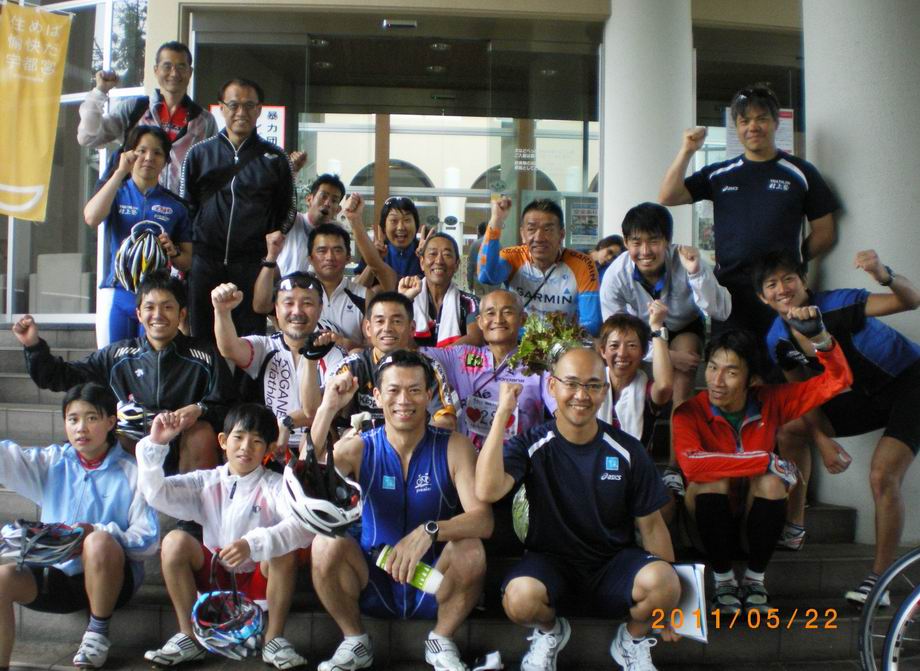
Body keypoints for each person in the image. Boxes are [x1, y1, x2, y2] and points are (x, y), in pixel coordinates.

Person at [475, 348, 680, 671]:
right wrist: (503, 413)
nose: (581, 395)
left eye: (593, 385)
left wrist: (670, 608)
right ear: (552, 386)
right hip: (550, 564)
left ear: (605, 390)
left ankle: (632, 640)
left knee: (665, 582)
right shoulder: (532, 444)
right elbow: (487, 490)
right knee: (519, 598)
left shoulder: (627, 449)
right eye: (571, 384)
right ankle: (549, 632)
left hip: (613, 565)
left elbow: (652, 526)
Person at [754, 249, 920, 604]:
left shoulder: (838, 304)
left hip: (912, 382)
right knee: (790, 428)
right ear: (762, 297)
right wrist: (821, 439)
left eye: (789, 278)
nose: (782, 289)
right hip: (866, 396)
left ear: (803, 281)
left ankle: (880, 581)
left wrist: (884, 274)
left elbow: (911, 300)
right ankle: (795, 526)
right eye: (771, 284)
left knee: (882, 474)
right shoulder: (777, 339)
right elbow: (802, 395)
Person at [309, 351, 492, 671]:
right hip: (371, 580)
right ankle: (355, 640)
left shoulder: (455, 446)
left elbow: (483, 520)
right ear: (378, 396)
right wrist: (328, 408)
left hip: (432, 583)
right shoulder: (359, 447)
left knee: (471, 549)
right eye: (393, 390)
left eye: (414, 390)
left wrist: (429, 531)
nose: (404, 400)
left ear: (430, 394)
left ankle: (441, 639)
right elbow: (309, 479)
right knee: (324, 544)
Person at [673, 323, 852, 615]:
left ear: (752, 379)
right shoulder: (689, 412)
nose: (717, 381)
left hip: (751, 527)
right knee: (711, 480)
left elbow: (838, 380)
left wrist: (821, 339)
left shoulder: (771, 399)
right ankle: (724, 582)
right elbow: (692, 464)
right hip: (704, 529)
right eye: (712, 368)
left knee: (772, 483)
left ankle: (755, 581)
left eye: (731, 372)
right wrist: (765, 460)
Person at [137, 404, 312, 668]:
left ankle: (273, 639)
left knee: (284, 552)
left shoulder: (276, 485)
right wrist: (156, 444)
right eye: (238, 437)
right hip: (215, 577)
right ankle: (189, 637)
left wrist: (252, 544)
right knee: (174, 541)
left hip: (259, 580)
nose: (245, 447)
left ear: (268, 449)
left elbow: (303, 527)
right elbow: (156, 494)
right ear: (222, 441)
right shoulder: (205, 481)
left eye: (256, 442)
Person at [658, 83, 840, 337]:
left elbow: (825, 232)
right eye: (745, 121)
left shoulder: (801, 172)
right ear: (737, 127)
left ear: (776, 123)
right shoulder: (720, 174)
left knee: (783, 357)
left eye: (761, 119)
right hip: (730, 292)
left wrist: (794, 261)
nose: (753, 127)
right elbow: (668, 195)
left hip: (782, 293)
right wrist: (687, 150)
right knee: (730, 360)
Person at [0, 383, 159, 669]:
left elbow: (147, 541)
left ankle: (97, 633)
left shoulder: (133, 472)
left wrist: (95, 531)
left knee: (97, 541)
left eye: (91, 418)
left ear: (110, 422)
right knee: (2, 578)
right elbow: (7, 460)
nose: (81, 428)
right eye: (72, 419)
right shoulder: (53, 462)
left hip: (113, 580)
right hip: (57, 576)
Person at [12, 271, 235, 473]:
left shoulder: (205, 355)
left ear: (182, 313)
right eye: (150, 307)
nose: (158, 315)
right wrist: (33, 346)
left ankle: (192, 506)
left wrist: (199, 410)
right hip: (133, 443)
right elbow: (61, 377)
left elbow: (229, 404)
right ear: (138, 314)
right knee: (113, 434)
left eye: (167, 307)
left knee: (201, 434)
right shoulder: (117, 356)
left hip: (184, 444)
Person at [179, 77, 296, 340]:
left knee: (249, 343)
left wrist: (269, 244)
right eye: (233, 105)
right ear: (221, 108)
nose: (241, 112)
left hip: (251, 266)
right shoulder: (199, 154)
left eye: (249, 105)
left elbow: (287, 210)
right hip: (204, 264)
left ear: (259, 109)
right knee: (202, 340)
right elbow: (186, 207)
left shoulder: (275, 158)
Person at [213, 273, 346, 457]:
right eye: (288, 303)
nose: (297, 311)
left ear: (320, 308)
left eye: (307, 303)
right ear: (276, 309)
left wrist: (287, 422)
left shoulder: (335, 354)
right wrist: (222, 312)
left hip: (317, 444)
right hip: (270, 444)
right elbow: (229, 349)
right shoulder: (265, 346)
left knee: (313, 439)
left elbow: (317, 411)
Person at [83, 125, 192, 347]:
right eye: (141, 151)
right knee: (112, 359)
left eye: (157, 152)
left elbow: (188, 261)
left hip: (156, 297)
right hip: (117, 292)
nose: (149, 158)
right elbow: (91, 218)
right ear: (130, 154)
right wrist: (119, 172)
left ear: (165, 161)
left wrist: (173, 252)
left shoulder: (176, 206)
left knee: (152, 360)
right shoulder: (116, 193)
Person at [77, 41, 217, 192]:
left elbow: (212, 171)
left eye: (181, 67)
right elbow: (88, 137)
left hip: (180, 206)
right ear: (156, 70)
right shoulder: (135, 109)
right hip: (133, 204)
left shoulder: (204, 121)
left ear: (190, 72)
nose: (174, 73)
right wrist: (100, 91)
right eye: (167, 66)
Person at [424, 289, 548, 450]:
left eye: (507, 312)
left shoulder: (539, 365)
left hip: (522, 460)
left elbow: (561, 412)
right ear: (480, 322)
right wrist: (406, 302)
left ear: (522, 319)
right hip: (469, 458)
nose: (498, 320)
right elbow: (414, 354)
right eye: (490, 313)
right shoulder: (461, 357)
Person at [255, 211, 395, 349]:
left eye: (337, 250)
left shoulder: (364, 296)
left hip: (347, 363)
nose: (330, 257)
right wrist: (271, 256)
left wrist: (345, 344)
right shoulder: (296, 290)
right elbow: (261, 307)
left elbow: (374, 346)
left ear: (348, 257)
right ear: (310, 258)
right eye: (322, 251)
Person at [330, 292, 459, 432]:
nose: (387, 328)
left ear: (412, 329)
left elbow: (447, 423)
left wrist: (401, 439)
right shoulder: (352, 366)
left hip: (414, 443)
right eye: (380, 321)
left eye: (396, 321)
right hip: (361, 443)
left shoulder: (429, 368)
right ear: (368, 328)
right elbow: (325, 413)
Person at [477, 197, 601, 336]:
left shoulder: (582, 264)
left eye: (548, 230)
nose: (539, 238)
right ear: (523, 234)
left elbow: (592, 323)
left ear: (561, 235)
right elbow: (486, 276)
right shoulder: (513, 257)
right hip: (518, 343)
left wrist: (561, 341)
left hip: (564, 343)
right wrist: (496, 221)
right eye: (531, 229)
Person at [399, 232, 482, 347]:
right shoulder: (410, 298)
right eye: (432, 254)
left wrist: (433, 355)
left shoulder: (470, 302)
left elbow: (475, 339)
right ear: (422, 263)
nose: (439, 261)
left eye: (447, 255)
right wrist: (404, 300)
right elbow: (395, 336)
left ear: (457, 265)